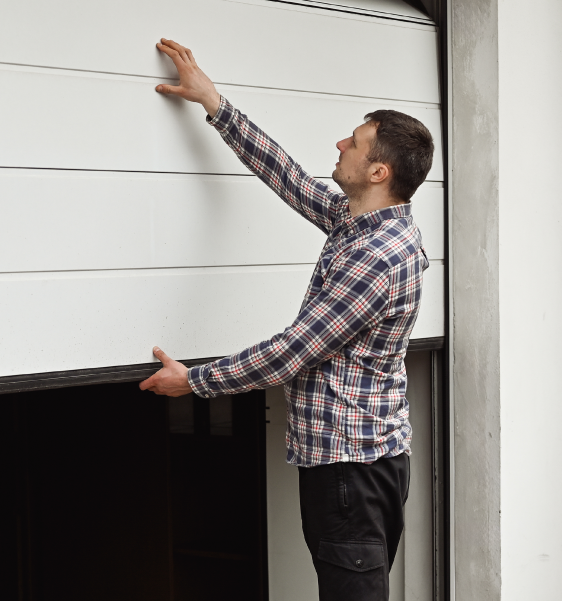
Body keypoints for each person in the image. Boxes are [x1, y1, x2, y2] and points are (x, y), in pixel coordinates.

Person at [139, 38, 433, 601]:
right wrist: (215, 105)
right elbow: (291, 179)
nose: (340, 142)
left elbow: (291, 353)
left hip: (352, 472)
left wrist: (193, 381)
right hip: (355, 463)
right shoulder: (361, 225)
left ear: (378, 169)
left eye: (356, 140)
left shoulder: (378, 257)